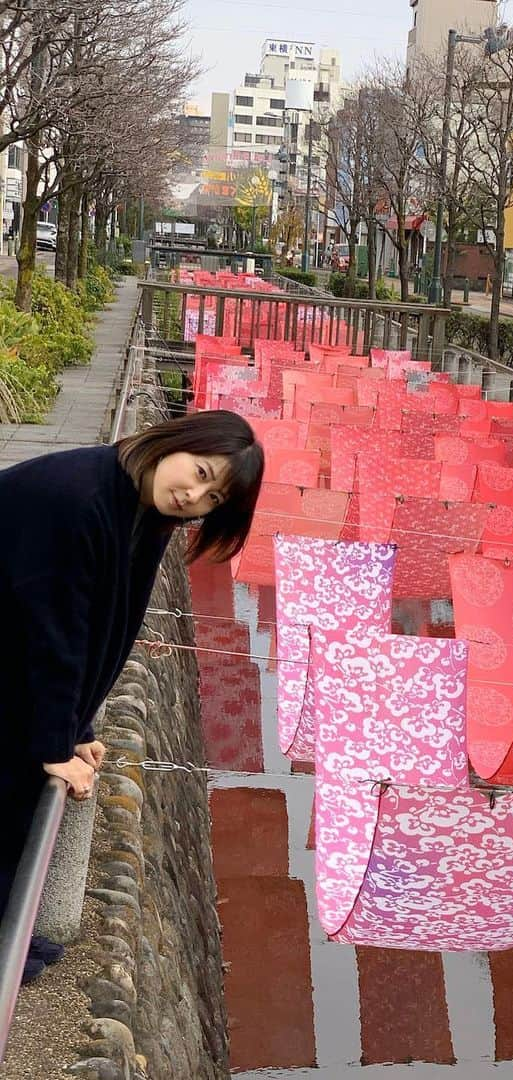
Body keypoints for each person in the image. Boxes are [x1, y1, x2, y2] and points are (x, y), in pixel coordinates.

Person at [0, 410, 263, 983]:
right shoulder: (78, 499)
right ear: (174, 442)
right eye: (197, 472)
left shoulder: (139, 509)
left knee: (17, 808)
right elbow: (56, 632)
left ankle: (8, 938)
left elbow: (108, 625)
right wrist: (54, 741)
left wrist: (78, 729)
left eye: (212, 498)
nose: (193, 494)